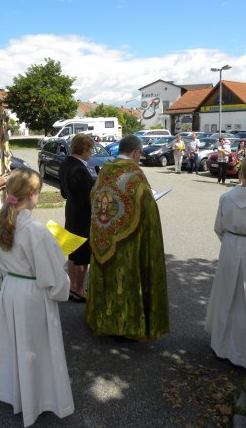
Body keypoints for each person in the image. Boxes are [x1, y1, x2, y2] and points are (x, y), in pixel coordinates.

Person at [0, 168, 74, 427]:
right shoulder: (35, 230)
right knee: (36, 349)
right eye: (39, 193)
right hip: (33, 296)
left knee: (15, 345)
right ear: (32, 194)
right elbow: (51, 275)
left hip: (10, 290)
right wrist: (61, 269)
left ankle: (17, 394)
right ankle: (38, 399)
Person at [86, 135, 170, 340]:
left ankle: (101, 320)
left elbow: (94, 197)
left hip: (103, 237)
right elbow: (148, 210)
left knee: (107, 279)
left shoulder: (105, 170)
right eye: (140, 154)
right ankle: (127, 327)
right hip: (128, 244)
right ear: (136, 153)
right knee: (125, 280)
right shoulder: (135, 174)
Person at [205, 154, 246, 370]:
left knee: (228, 296)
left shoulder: (227, 198)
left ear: (241, 172)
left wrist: (231, 243)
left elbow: (219, 228)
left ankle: (223, 345)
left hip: (230, 249)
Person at [59, 133, 94, 302]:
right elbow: (89, 198)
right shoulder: (80, 169)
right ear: (84, 149)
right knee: (81, 255)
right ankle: (79, 289)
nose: (91, 153)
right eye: (90, 149)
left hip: (71, 210)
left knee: (71, 251)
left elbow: (64, 193)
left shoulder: (65, 163)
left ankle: (72, 286)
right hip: (82, 215)